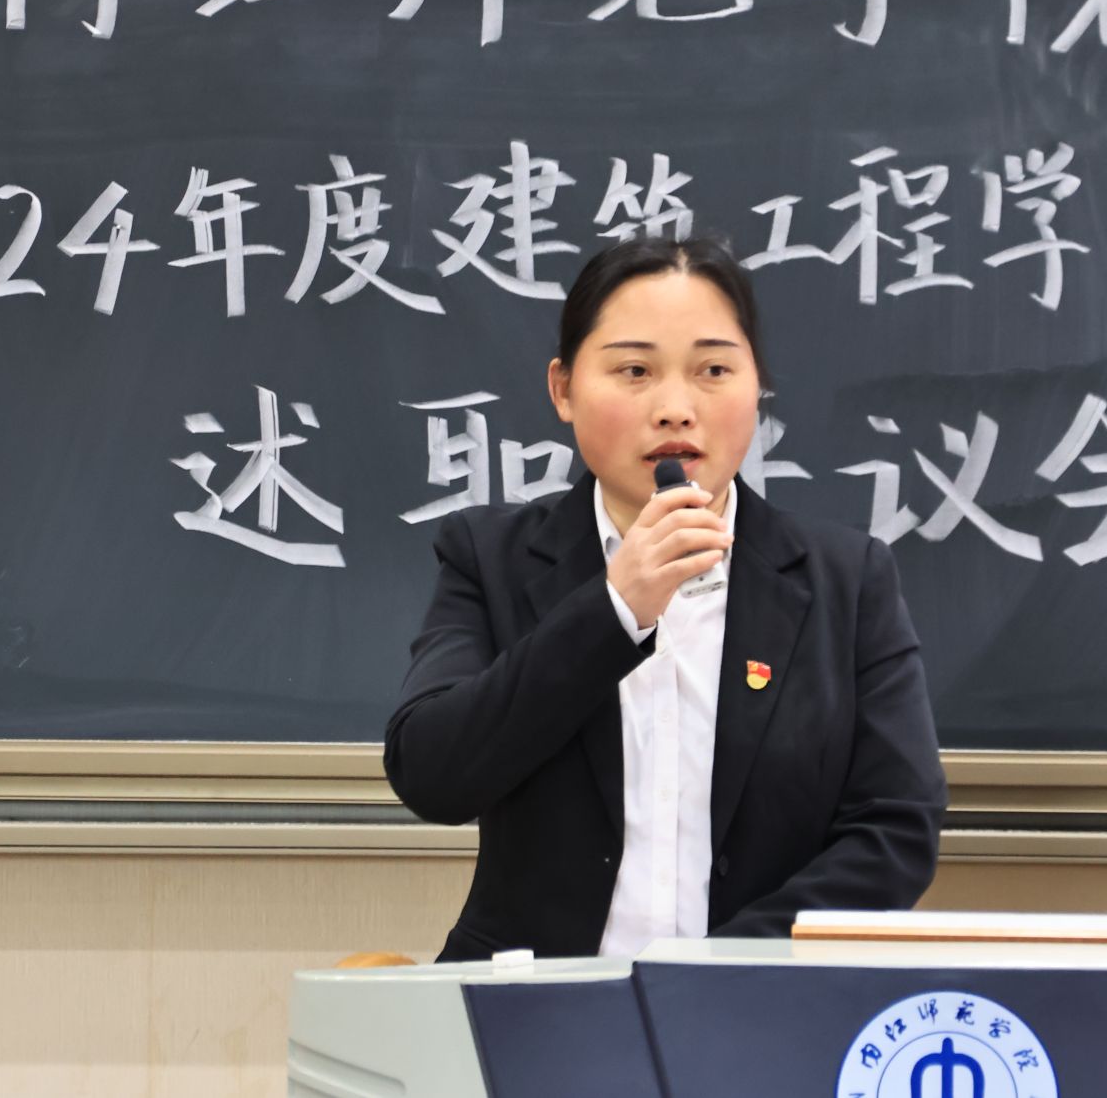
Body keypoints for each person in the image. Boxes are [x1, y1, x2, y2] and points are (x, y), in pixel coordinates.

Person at [383, 235, 946, 961]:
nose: (676, 409)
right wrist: (615, 608)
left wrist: (714, 976)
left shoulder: (848, 579)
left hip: (755, 1003)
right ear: (563, 389)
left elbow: (896, 830)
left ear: (757, 386)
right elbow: (433, 776)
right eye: (635, 370)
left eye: (713, 369)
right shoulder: (489, 558)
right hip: (532, 1005)